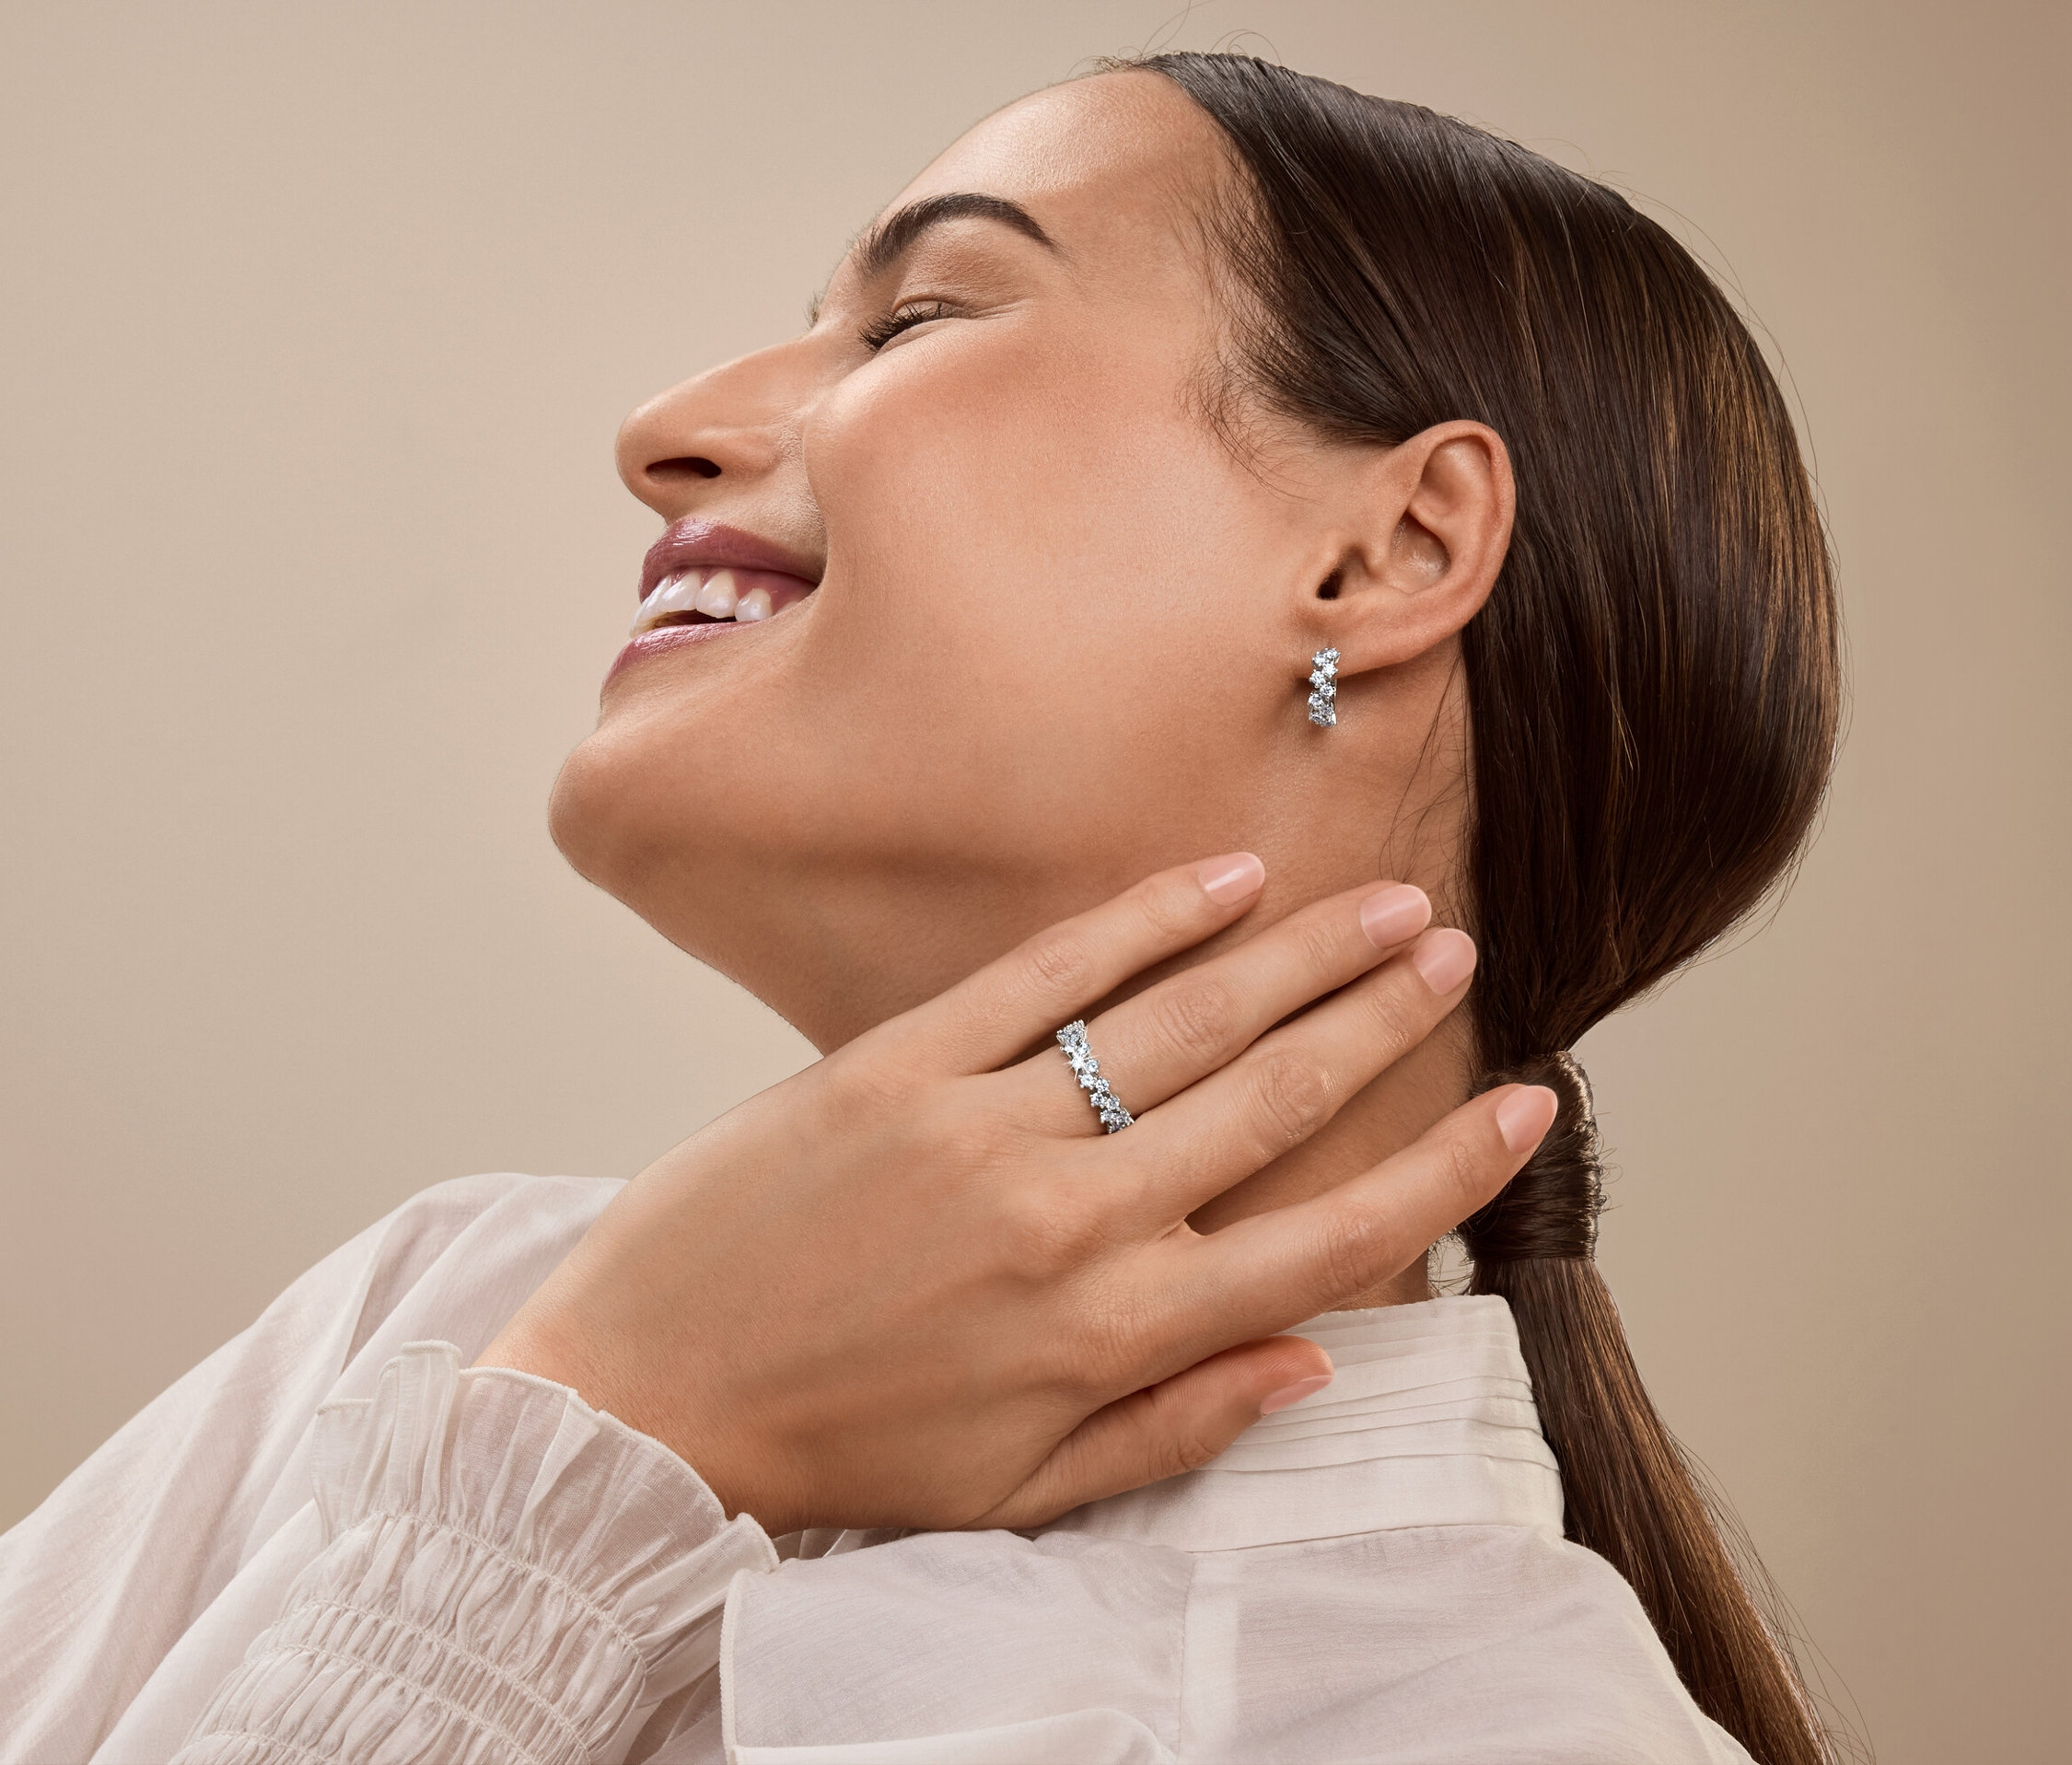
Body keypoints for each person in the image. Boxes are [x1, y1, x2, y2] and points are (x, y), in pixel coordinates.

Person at [0, 50, 1841, 1765]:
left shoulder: (1502, 1725)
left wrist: (606, 1443)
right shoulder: (447, 1321)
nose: (663, 430)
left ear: (1388, 551)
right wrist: (607, 1407)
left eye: (921, 312)